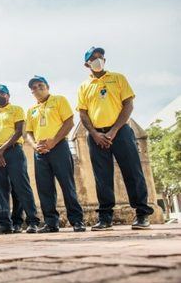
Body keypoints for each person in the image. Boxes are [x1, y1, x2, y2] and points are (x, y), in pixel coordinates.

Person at [77, 47, 154, 230]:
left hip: (120, 132)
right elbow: (83, 113)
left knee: (133, 173)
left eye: (100, 56)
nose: (98, 60)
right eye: (93, 58)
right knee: (102, 178)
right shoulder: (84, 86)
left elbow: (128, 105)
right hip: (97, 136)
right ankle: (105, 218)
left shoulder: (118, 78)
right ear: (87, 64)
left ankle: (142, 214)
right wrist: (95, 134)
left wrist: (113, 130)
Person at [25, 75, 86, 233]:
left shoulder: (59, 100)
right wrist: (35, 146)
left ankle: (77, 220)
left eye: (40, 85)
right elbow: (28, 133)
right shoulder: (31, 110)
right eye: (34, 88)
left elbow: (69, 123)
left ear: (47, 86)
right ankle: (51, 222)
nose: (37, 89)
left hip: (59, 148)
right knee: (45, 188)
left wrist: (53, 141)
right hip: (40, 152)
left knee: (67, 185)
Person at [0, 84, 40, 234]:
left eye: (2, 93)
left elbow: (18, 132)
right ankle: (5, 224)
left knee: (22, 187)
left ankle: (32, 221)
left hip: (14, 151)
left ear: (8, 95)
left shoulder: (16, 109)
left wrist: (1, 149)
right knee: (1, 190)